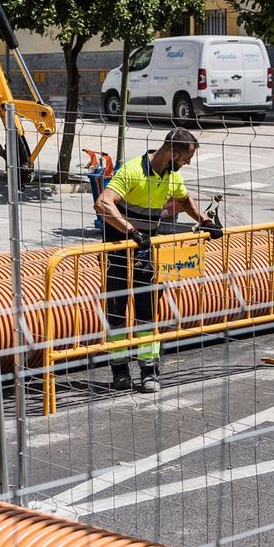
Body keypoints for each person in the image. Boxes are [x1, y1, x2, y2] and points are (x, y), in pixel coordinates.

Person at [94, 128, 220, 394]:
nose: (187, 163)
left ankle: (149, 371)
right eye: (186, 158)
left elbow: (185, 200)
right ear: (173, 152)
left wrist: (206, 221)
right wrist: (131, 231)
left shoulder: (172, 176)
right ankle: (119, 369)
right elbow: (103, 203)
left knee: (147, 310)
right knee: (116, 310)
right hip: (119, 247)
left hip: (146, 248)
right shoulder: (133, 171)